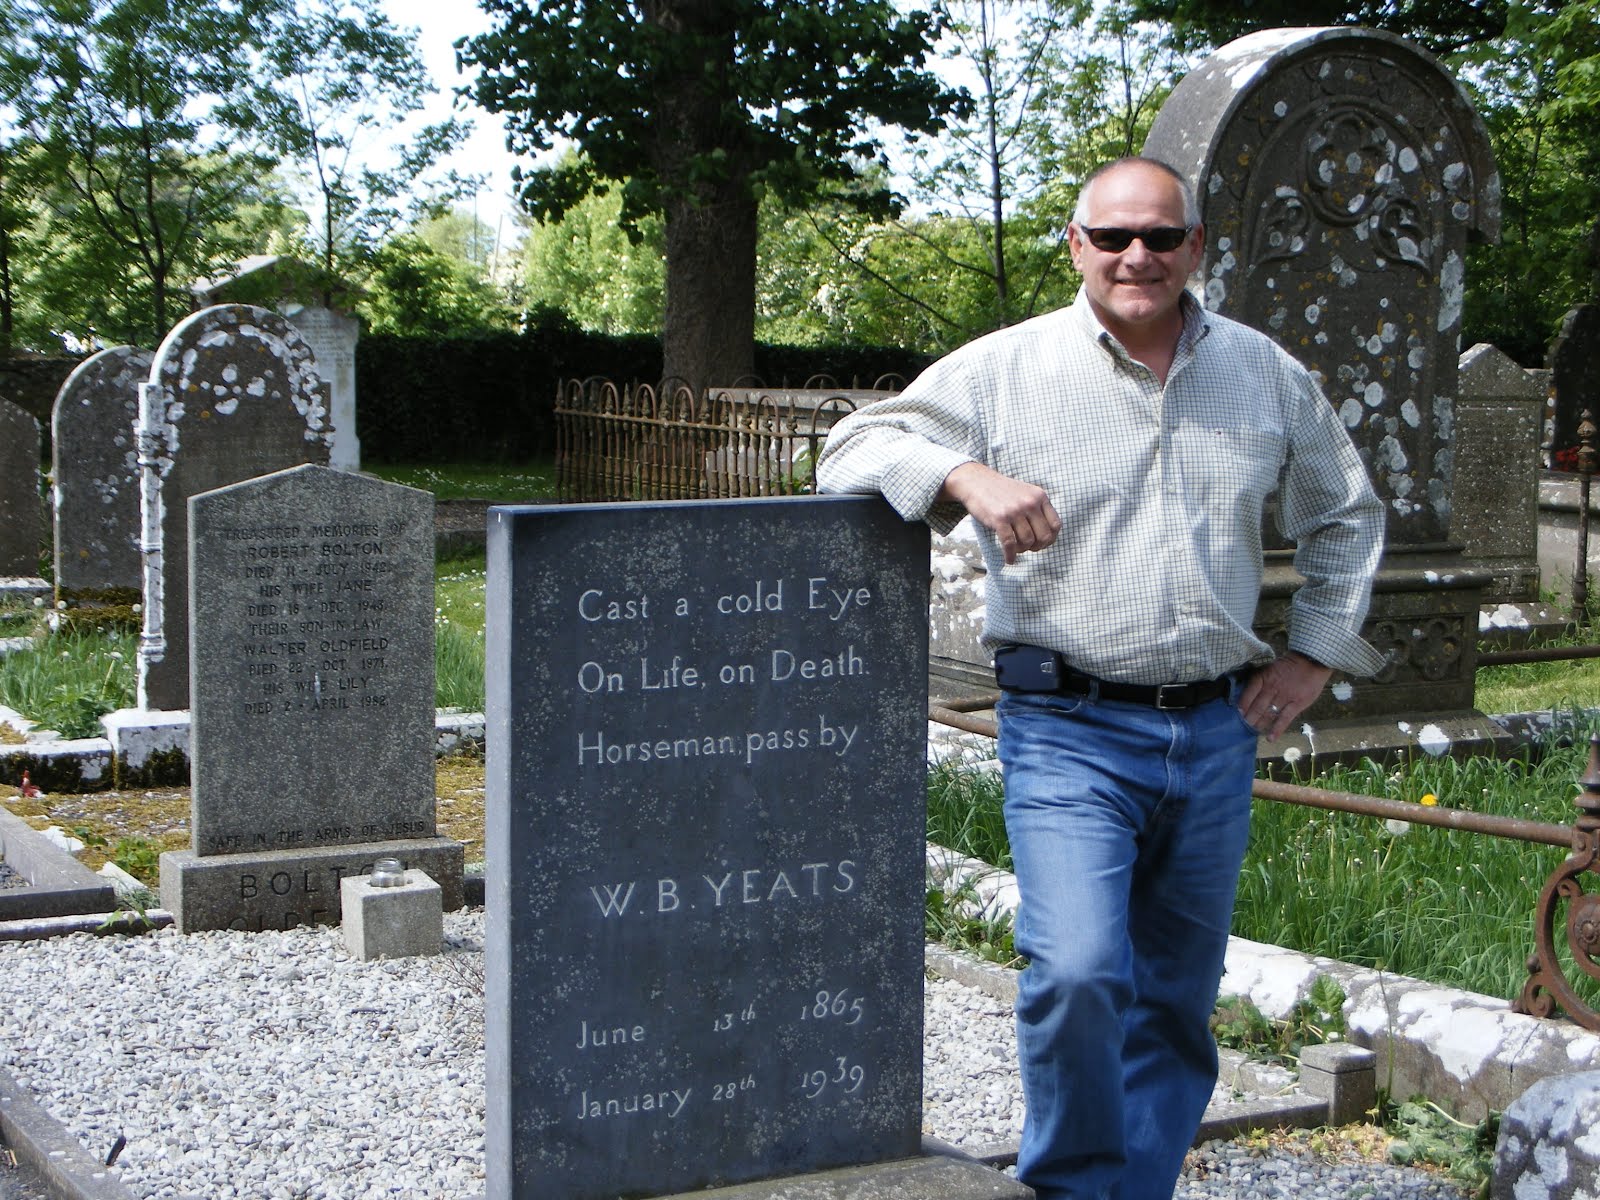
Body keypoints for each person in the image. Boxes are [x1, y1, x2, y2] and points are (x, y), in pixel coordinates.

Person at [815, 156, 1386, 1200]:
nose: (1138, 256)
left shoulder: (1261, 373)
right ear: (1075, 245)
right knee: (1078, 972)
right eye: (1114, 236)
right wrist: (963, 474)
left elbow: (1344, 512)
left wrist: (1312, 651)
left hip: (1215, 728)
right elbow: (850, 447)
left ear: (1195, 248)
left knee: (1172, 995)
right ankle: (1073, 1186)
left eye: (1161, 237)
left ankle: (1140, 1186)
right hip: (1067, 723)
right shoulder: (1004, 369)